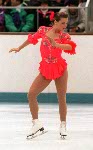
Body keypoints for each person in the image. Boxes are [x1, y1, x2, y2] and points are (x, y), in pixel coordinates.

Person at [9, 12, 76, 138]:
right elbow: (31, 39)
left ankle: (63, 125)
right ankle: (36, 124)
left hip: (60, 67)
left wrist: (57, 44)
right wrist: (19, 48)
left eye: (66, 23)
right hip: (46, 68)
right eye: (62, 23)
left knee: (61, 97)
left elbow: (70, 47)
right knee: (31, 94)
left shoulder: (64, 35)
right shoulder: (43, 30)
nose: (65, 25)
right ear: (55, 22)